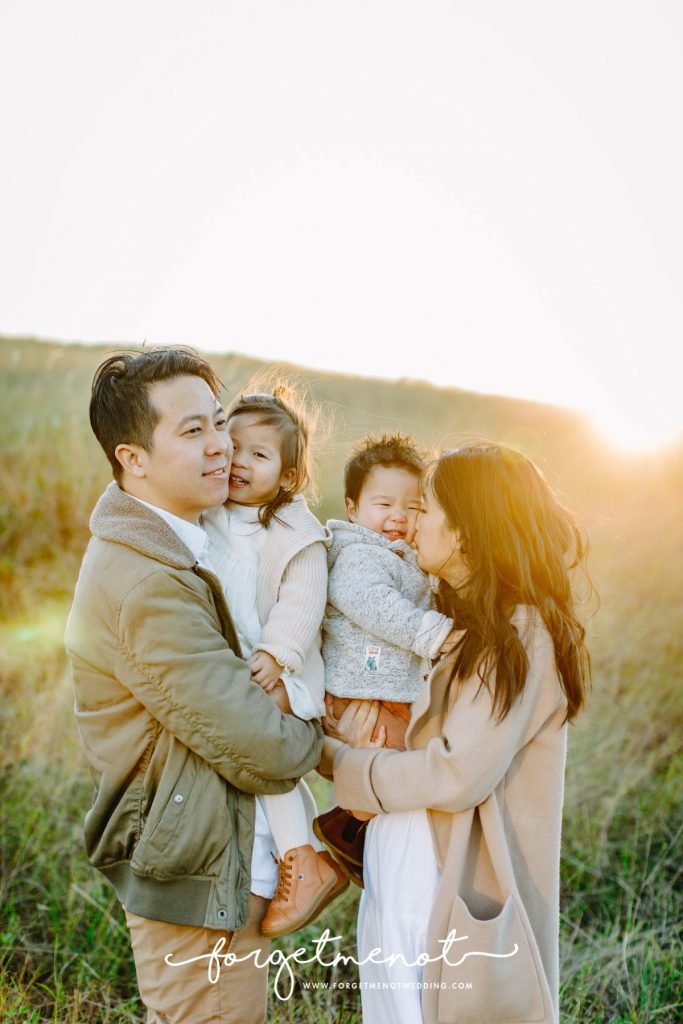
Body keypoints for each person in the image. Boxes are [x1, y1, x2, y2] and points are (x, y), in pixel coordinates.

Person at [65, 348, 324, 1024]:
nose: (222, 448)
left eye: (219, 423)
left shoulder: (189, 536)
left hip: (216, 852)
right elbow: (267, 748)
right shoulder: (147, 580)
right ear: (133, 458)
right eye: (192, 432)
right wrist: (316, 716)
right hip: (195, 870)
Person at [322, 442, 592, 1024]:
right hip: (403, 855)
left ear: (465, 531)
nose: (410, 522)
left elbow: (456, 772)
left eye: (425, 509)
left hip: (451, 880)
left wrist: (338, 761)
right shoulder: (447, 614)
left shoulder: (523, 632)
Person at [202, 388, 347, 939]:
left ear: (287, 475)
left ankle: (300, 859)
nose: (239, 461)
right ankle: (307, 851)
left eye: (259, 455)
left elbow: (302, 601)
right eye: (232, 446)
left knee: (263, 753)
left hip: (280, 671)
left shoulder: (293, 530)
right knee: (267, 761)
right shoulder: (211, 513)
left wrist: (276, 655)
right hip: (235, 664)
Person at [315, 434, 456, 876]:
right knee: (394, 758)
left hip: (384, 686)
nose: (398, 517)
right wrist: (433, 633)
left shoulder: (405, 558)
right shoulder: (359, 555)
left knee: (399, 758)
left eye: (413, 507)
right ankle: (348, 831)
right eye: (384, 504)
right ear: (353, 508)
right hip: (363, 689)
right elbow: (379, 608)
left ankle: (355, 832)